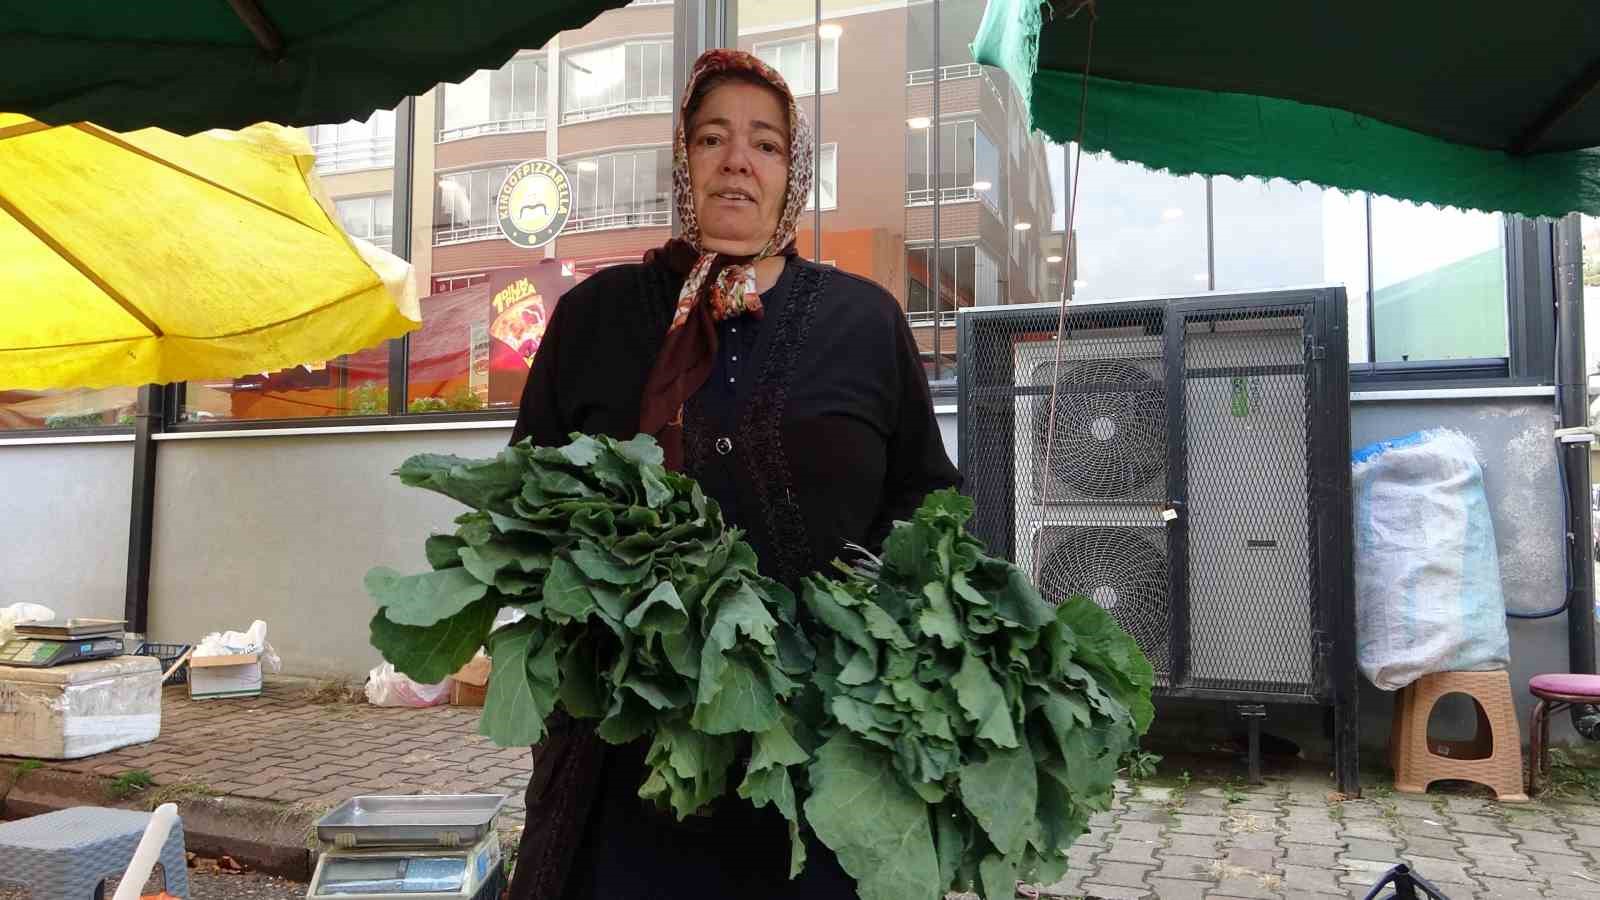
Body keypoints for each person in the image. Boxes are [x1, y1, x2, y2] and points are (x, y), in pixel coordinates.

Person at [505, 48, 960, 899]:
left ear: (793, 171)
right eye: (712, 138)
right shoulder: (594, 318)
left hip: (825, 747)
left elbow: (928, 501)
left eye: (766, 143)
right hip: (629, 748)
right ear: (682, 160)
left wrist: (883, 622)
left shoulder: (866, 322)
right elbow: (529, 494)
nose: (737, 161)